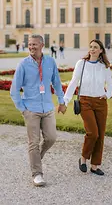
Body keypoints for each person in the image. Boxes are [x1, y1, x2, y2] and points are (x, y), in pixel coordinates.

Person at [10, 34, 66, 187]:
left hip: (47, 108)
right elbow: (14, 90)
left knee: (51, 138)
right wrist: (23, 109)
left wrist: (61, 101)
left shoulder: (50, 62)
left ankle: (36, 158)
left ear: (42, 45)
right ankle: (37, 174)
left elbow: (57, 83)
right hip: (31, 110)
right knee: (33, 142)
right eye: (29, 44)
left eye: (34, 44)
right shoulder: (23, 64)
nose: (31, 47)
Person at [64, 39, 112, 176]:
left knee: (100, 135)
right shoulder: (82, 63)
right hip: (85, 101)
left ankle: (94, 165)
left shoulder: (104, 66)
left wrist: (107, 94)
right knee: (93, 133)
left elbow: (110, 84)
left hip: (100, 102)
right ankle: (83, 158)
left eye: (95, 47)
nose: (92, 49)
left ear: (101, 50)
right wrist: (65, 100)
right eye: (90, 46)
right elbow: (73, 82)